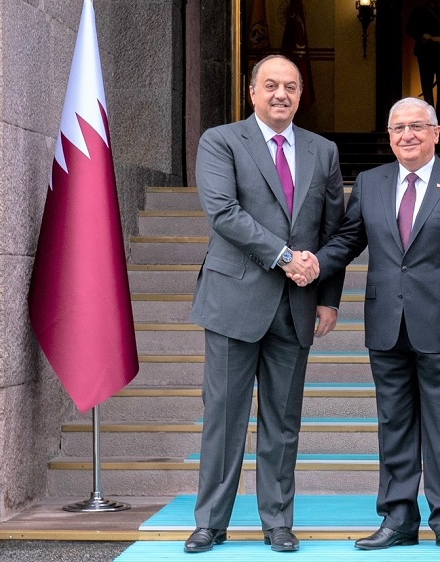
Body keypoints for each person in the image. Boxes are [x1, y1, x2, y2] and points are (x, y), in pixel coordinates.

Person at [297, 97, 440, 553]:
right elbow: (347, 239)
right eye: (399, 127)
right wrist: (312, 265)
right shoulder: (370, 183)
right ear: (389, 136)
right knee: (394, 423)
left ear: (436, 132)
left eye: (418, 126)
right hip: (386, 323)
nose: (408, 135)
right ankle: (398, 517)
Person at [184, 54, 345, 553]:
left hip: (297, 305)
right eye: (271, 85)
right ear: (251, 92)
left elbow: (333, 230)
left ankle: (278, 520)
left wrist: (328, 297)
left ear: (301, 95)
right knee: (224, 418)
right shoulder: (221, 141)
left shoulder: (324, 150)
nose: (281, 94)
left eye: (291, 86)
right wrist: (283, 257)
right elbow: (223, 212)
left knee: (283, 421)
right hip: (235, 299)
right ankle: (211, 521)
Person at [407, 0, 440, 124]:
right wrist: (423, 35)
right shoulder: (419, 10)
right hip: (425, 53)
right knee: (427, 85)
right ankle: (430, 117)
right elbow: (409, 28)